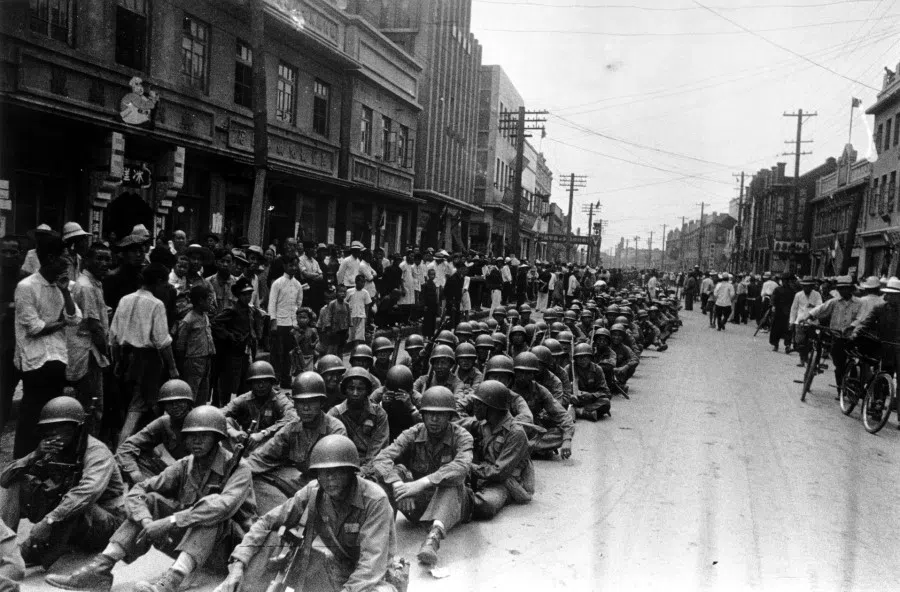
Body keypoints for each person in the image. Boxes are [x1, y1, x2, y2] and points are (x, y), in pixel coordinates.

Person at [45, 406, 256, 592]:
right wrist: (148, 522)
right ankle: (100, 569)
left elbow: (224, 506)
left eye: (204, 436)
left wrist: (171, 521)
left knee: (212, 512)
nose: (196, 441)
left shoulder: (238, 468)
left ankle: (172, 581)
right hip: (191, 547)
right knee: (152, 500)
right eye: (191, 436)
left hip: (229, 551)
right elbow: (139, 490)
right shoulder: (185, 465)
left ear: (217, 438)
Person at [217, 435, 399, 592]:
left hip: (374, 578)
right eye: (324, 473)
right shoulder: (314, 491)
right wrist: (238, 565)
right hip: (337, 568)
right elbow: (266, 522)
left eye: (337, 472)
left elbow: (371, 566)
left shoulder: (375, 500)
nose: (329, 479)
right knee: (272, 538)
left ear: (351, 472)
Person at [0, 397, 126, 570]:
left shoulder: (96, 451)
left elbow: (87, 493)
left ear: (76, 428)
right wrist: (34, 455)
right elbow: (5, 479)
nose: (53, 433)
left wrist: (49, 520)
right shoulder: (53, 449)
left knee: (74, 501)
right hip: (74, 519)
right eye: (48, 428)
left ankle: (28, 553)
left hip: (106, 523)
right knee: (18, 481)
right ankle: (5, 546)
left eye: (60, 427)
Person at [372, 386, 474, 566]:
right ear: (423, 415)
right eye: (429, 414)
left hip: (454, 505)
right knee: (393, 474)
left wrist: (421, 483)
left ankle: (433, 539)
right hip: (418, 505)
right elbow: (382, 458)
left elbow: (462, 466)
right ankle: (383, 538)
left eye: (440, 415)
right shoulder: (414, 432)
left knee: (453, 481)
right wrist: (398, 486)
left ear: (450, 416)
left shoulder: (462, 436)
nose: (434, 419)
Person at [13, 234, 83, 458]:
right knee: (32, 416)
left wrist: (64, 293)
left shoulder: (64, 287)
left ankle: (47, 465)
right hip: (35, 360)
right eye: (64, 258)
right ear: (51, 258)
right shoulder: (27, 287)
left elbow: (75, 318)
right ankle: (22, 465)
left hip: (58, 358)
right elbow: (34, 327)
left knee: (54, 417)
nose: (68, 263)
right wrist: (61, 323)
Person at [245, 372, 347, 514]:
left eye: (311, 402)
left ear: (321, 403)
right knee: (254, 476)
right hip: (302, 483)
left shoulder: (335, 429)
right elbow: (263, 455)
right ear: (295, 405)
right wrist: (238, 471)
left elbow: (337, 474)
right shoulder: (292, 428)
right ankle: (281, 513)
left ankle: (290, 513)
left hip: (328, 486)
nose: (305, 408)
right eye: (301, 403)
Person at [109, 263, 179, 447]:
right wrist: (172, 367)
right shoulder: (156, 305)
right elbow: (162, 341)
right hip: (146, 360)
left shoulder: (125, 299)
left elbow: (113, 336)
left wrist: (117, 361)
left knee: (138, 405)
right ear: (158, 282)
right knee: (137, 407)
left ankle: (145, 447)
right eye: (164, 284)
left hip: (124, 358)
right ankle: (121, 448)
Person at [460, 381, 534, 520]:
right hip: (482, 475)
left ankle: (461, 500)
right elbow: (457, 426)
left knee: (484, 506)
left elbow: (499, 472)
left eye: (478, 404)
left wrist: (468, 467)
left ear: (491, 407)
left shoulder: (515, 433)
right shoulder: (484, 424)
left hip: (505, 482)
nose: (474, 408)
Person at [66, 243, 112, 426]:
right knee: (92, 406)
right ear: (87, 261)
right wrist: (107, 353)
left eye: (107, 259)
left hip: (89, 350)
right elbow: (94, 326)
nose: (104, 263)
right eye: (99, 258)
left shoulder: (94, 283)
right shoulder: (86, 287)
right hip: (88, 353)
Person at [116, 380, 193, 485]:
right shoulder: (164, 423)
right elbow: (125, 448)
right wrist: (134, 472)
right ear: (163, 406)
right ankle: (143, 490)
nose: (175, 406)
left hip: (201, 475)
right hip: (180, 474)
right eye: (169, 403)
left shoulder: (202, 419)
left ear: (189, 403)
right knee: (129, 459)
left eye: (180, 401)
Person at [326, 367, 389, 479]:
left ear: (367, 391)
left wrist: (365, 471)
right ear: (345, 389)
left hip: (372, 465)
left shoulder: (379, 414)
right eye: (351, 388)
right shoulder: (335, 414)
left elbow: (379, 448)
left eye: (360, 389)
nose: (355, 393)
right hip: (343, 464)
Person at [221, 361, 298, 451]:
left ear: (271, 382)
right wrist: (232, 431)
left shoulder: (279, 399)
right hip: (246, 443)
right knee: (227, 421)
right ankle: (235, 456)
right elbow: (217, 415)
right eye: (257, 382)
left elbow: (293, 417)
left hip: (271, 443)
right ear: (251, 384)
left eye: (265, 382)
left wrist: (264, 433)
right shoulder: (244, 399)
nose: (261, 386)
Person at [510, 353, 574, 460]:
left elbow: (563, 416)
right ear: (514, 372)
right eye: (520, 373)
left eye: (528, 373)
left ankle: (520, 450)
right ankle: (533, 450)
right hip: (510, 431)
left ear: (533, 374)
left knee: (559, 434)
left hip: (531, 432)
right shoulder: (506, 388)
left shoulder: (540, 390)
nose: (524, 377)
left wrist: (567, 440)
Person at [807, 276, 860, 395]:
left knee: (854, 362)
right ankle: (840, 389)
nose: (842, 291)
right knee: (839, 364)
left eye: (845, 288)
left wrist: (852, 326)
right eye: (840, 289)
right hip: (837, 336)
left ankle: (852, 386)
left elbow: (861, 318)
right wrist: (809, 317)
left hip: (854, 337)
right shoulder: (834, 301)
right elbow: (820, 309)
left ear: (850, 289)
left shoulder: (859, 303)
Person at [211, 278, 256, 403]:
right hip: (232, 353)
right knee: (227, 384)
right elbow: (215, 323)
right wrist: (229, 335)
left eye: (250, 294)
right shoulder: (232, 309)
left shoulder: (250, 310)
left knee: (244, 383)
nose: (248, 297)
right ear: (238, 295)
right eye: (244, 294)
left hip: (245, 352)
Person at [0, 234, 26, 441]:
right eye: (4, 251)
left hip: (23, 346)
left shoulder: (26, 279)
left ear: (21, 254)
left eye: (13, 251)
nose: (9, 256)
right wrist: (10, 307)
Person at [174, 285, 216, 404]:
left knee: (204, 390)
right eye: (209, 300)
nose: (211, 303)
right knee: (192, 390)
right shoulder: (189, 319)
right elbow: (181, 343)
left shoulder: (205, 316)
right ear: (200, 301)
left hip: (206, 357)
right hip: (193, 359)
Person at [268, 254, 303, 388]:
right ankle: (274, 379)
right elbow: (272, 303)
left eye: (296, 265)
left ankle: (286, 379)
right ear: (285, 266)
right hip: (279, 323)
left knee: (290, 353)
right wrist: (273, 321)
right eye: (291, 265)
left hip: (291, 324)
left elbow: (298, 304)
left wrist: (296, 323)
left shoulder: (298, 285)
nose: (293, 268)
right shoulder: (277, 283)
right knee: (277, 352)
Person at [370, 365, 421, 443]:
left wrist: (411, 408)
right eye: (394, 394)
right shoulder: (378, 394)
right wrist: (381, 406)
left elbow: (424, 424)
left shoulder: (417, 398)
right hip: (385, 433)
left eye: (401, 394)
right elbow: (368, 421)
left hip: (410, 434)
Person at [568, 343, 612, 421]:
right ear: (575, 359)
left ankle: (580, 411)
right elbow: (562, 388)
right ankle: (587, 413)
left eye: (585, 357)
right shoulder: (569, 368)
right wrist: (570, 395)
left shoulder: (597, 369)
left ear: (590, 358)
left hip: (591, 401)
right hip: (573, 399)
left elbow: (606, 393)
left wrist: (591, 395)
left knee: (606, 402)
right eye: (579, 358)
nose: (582, 360)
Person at [789, 276, 823, 366]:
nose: (806, 288)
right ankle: (802, 359)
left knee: (813, 342)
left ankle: (812, 360)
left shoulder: (817, 294)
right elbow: (794, 309)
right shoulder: (798, 295)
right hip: (800, 321)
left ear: (812, 286)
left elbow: (820, 306)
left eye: (808, 286)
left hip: (813, 321)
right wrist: (791, 322)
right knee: (800, 342)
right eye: (804, 286)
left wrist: (813, 307)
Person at [317, 284, 350, 356]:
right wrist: (328, 327)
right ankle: (330, 362)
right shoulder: (332, 304)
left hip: (343, 329)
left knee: (341, 347)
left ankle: (340, 362)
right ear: (337, 293)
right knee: (332, 348)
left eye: (344, 292)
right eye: (340, 292)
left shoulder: (346, 304)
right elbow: (329, 316)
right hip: (334, 329)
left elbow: (348, 316)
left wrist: (348, 327)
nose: (342, 294)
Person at [769, 273, 796, 353]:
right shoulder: (777, 289)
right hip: (778, 312)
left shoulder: (792, 291)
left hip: (788, 313)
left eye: (787, 281)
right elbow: (773, 298)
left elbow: (794, 302)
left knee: (788, 330)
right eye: (784, 281)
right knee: (776, 329)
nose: (785, 282)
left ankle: (787, 346)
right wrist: (773, 306)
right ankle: (775, 344)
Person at [346, 274, 373, 348]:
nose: (363, 284)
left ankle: (356, 349)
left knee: (358, 336)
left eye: (364, 282)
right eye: (361, 282)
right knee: (351, 335)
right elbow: (345, 302)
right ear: (356, 282)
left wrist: (366, 317)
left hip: (361, 316)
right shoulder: (349, 291)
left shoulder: (365, 292)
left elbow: (367, 306)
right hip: (351, 316)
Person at [290, 307, 318, 374]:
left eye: (304, 318)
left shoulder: (312, 330)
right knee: (290, 354)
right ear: (297, 318)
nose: (302, 320)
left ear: (309, 319)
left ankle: (313, 365)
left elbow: (317, 339)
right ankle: (294, 367)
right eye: (300, 317)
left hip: (309, 354)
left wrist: (314, 344)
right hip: (299, 354)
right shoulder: (294, 331)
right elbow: (294, 342)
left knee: (317, 354)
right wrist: (300, 335)